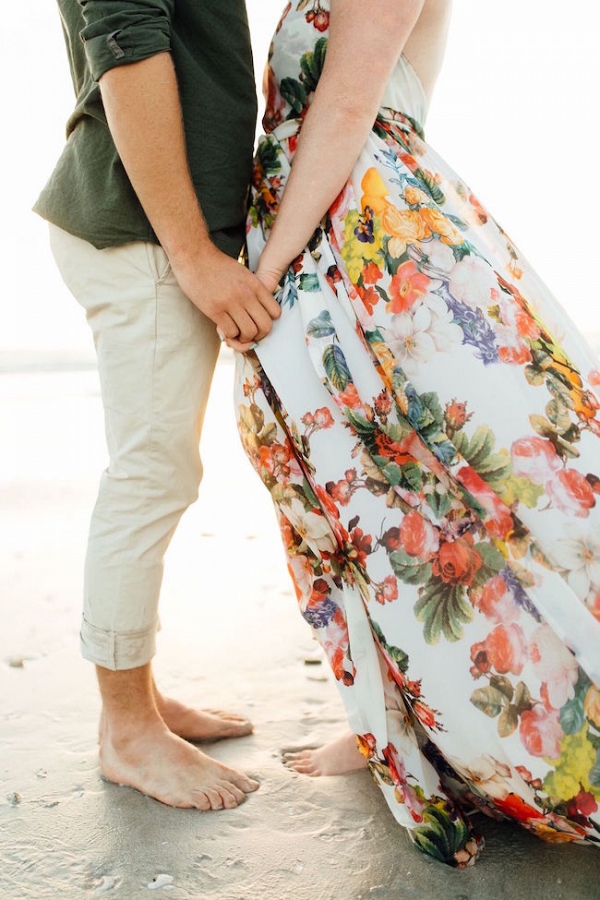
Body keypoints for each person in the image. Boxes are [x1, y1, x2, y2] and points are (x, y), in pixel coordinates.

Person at [234, 0, 600, 867]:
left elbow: (348, 109)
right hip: (320, 225)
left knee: (451, 487)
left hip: (362, 234)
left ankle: (456, 735)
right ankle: (398, 727)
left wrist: (265, 269)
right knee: (353, 492)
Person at [34, 0, 281, 811]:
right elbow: (126, 48)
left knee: (157, 471)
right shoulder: (169, 244)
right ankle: (128, 732)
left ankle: (139, 699)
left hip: (156, 224)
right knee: (151, 474)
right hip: (150, 232)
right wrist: (192, 252)